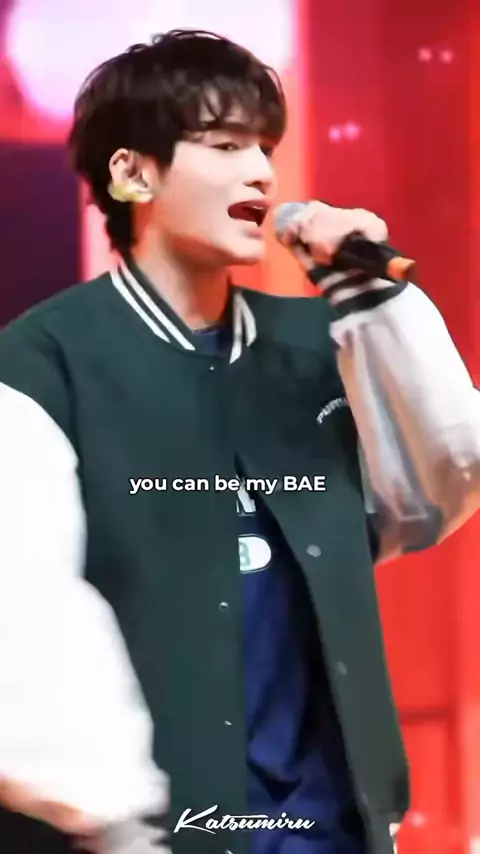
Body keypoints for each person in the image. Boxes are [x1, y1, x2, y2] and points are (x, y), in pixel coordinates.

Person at [0, 27, 479, 854]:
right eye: (225, 146)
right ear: (132, 173)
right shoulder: (40, 365)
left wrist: (371, 297)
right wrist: (114, 818)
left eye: (264, 148)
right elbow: (20, 611)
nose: (260, 171)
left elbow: (441, 484)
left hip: (332, 826)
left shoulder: (319, 344)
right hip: (155, 833)